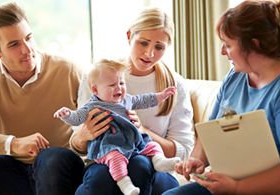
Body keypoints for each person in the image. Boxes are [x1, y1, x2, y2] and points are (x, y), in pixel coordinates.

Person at [162, 0, 280, 195]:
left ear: (254, 45)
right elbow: (213, 127)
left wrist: (236, 188)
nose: (222, 51)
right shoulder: (237, 75)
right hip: (235, 184)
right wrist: (197, 159)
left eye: (227, 45)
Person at [0, 2, 85, 195]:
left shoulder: (68, 69)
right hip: (14, 171)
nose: (27, 49)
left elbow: (98, 110)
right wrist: (13, 144)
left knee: (50, 157)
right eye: (14, 44)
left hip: (61, 168)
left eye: (28, 38)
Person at [70, 7, 195, 195]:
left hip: (153, 167)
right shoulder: (98, 75)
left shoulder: (175, 85)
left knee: (139, 165)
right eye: (143, 43)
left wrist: (143, 131)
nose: (149, 53)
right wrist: (82, 136)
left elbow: (183, 151)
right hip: (106, 162)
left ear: (168, 46)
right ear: (129, 36)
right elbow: (79, 145)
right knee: (100, 178)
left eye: (159, 47)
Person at [54, 58, 181, 195]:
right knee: (116, 158)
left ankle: (159, 161)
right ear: (95, 90)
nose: (119, 88)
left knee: (151, 145)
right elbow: (77, 118)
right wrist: (66, 115)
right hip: (109, 146)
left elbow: (144, 100)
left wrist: (161, 96)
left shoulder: (127, 99)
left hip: (132, 142)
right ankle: (124, 183)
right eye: (112, 85)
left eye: (121, 83)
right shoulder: (92, 105)